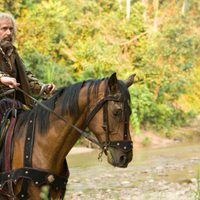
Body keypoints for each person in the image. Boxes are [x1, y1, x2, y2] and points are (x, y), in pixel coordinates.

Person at [0, 12, 55, 122]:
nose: (9, 33)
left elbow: (26, 78)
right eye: (4, 28)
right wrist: (2, 78)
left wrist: (43, 88)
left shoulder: (12, 53)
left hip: (12, 105)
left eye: (11, 29)